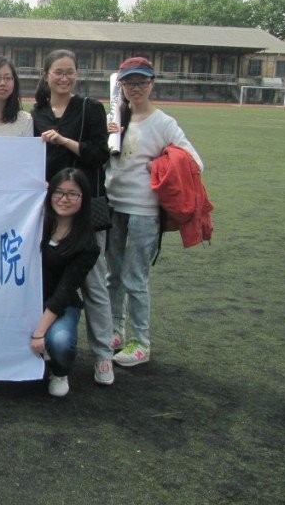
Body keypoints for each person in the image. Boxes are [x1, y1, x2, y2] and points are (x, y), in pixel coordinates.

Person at [105, 57, 204, 367]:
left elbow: (194, 162)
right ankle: (115, 330)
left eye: (142, 82)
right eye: (129, 83)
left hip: (144, 210)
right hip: (113, 204)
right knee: (113, 275)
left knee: (134, 277)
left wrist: (161, 165)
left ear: (152, 84)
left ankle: (141, 342)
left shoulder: (163, 123)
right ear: (121, 85)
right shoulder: (115, 117)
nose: (135, 88)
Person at [31, 49, 114, 385]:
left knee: (94, 285)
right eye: (58, 72)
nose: (64, 78)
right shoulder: (36, 113)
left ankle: (103, 355)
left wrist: (64, 141)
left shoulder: (90, 108)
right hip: (50, 210)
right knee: (49, 276)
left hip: (85, 207)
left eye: (69, 72)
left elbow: (99, 154)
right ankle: (49, 340)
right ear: (46, 75)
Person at [29, 168, 100, 397]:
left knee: (60, 341)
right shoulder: (35, 220)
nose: (64, 199)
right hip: (24, 299)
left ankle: (59, 371)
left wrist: (39, 331)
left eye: (72, 194)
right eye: (58, 192)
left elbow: (65, 290)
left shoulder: (87, 243)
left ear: (83, 198)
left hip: (59, 304)